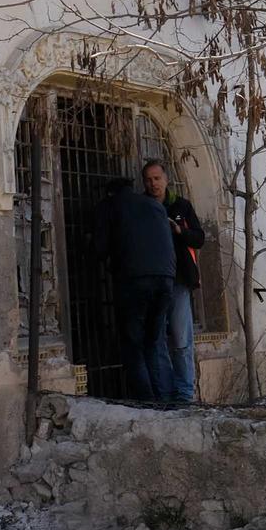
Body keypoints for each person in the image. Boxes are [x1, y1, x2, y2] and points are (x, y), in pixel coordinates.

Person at [90, 175, 175, 402]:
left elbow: (99, 248)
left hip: (135, 281)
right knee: (154, 342)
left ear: (109, 192)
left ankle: (147, 403)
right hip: (166, 279)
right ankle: (166, 401)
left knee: (133, 344)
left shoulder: (108, 206)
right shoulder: (155, 206)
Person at [142, 159, 205, 404]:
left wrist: (180, 231)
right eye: (149, 179)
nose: (153, 183)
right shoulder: (142, 207)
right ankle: (167, 394)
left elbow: (199, 239)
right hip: (152, 283)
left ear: (166, 179)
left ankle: (185, 394)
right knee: (156, 340)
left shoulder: (181, 206)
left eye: (157, 178)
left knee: (180, 339)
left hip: (178, 282)